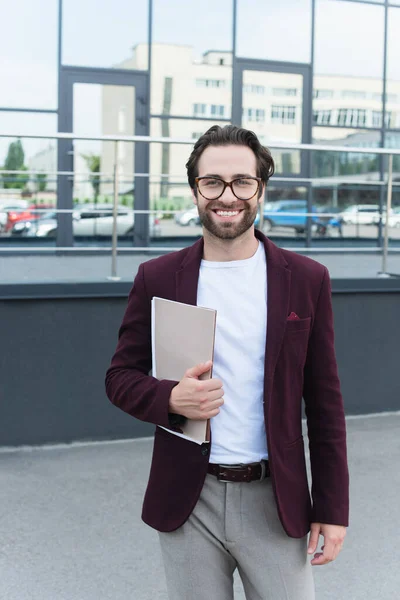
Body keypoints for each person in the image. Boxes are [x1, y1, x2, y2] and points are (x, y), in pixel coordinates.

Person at [105, 125, 349, 600]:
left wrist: (333, 507)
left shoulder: (306, 279)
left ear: (260, 188)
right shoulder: (157, 277)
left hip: (275, 498)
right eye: (212, 182)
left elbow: (325, 406)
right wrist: (169, 398)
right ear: (196, 190)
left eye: (242, 181)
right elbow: (119, 377)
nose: (227, 195)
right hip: (188, 500)